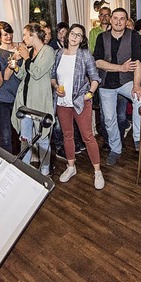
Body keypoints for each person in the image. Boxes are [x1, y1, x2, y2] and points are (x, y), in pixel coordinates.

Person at [51, 24, 104, 189]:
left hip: (81, 101)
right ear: (68, 36)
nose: (74, 37)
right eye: (72, 33)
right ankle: (71, 167)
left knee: (88, 136)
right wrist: (55, 87)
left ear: (82, 39)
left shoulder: (85, 55)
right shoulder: (58, 53)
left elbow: (95, 77)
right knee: (67, 135)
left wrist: (89, 94)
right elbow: (53, 76)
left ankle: (97, 171)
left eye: (78, 35)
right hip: (62, 102)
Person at [93, 7, 141, 165]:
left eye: (122, 18)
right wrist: (120, 67)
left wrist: (137, 85)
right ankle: (115, 148)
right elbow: (98, 62)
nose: (118, 21)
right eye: (115, 18)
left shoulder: (134, 36)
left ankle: (139, 138)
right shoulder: (102, 37)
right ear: (110, 20)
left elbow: (137, 63)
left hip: (126, 82)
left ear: (126, 20)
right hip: (106, 84)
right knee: (109, 119)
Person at [10, 23, 55, 175]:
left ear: (34, 35)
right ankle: (26, 170)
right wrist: (16, 67)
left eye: (24, 35)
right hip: (25, 102)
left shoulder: (48, 51)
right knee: (25, 139)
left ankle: (45, 170)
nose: (23, 38)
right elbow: (24, 75)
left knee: (42, 137)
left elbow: (37, 72)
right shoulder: (30, 52)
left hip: (39, 101)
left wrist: (26, 57)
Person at [0, 21, 20, 153]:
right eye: (5, 34)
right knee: (6, 135)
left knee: (22, 134)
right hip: (4, 98)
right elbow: (6, 77)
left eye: (10, 33)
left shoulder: (21, 47)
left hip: (20, 97)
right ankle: (7, 165)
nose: (9, 36)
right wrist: (14, 58)